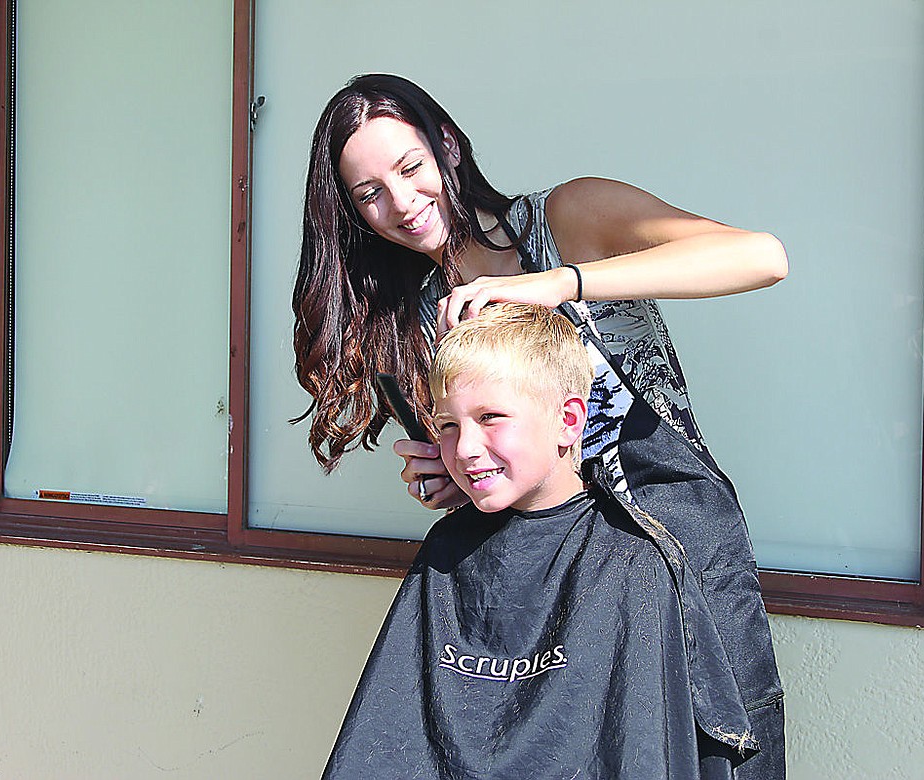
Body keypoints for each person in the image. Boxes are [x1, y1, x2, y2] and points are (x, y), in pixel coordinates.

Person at [294, 73, 786, 777]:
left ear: (449, 148)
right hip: (544, 596)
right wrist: (455, 471)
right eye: (369, 193)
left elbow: (762, 256)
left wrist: (561, 283)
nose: (401, 203)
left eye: (410, 168)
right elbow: (498, 470)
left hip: (674, 554)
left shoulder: (565, 221)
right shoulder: (409, 322)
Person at [324, 303, 762, 778]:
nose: (465, 447)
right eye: (448, 425)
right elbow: (392, 742)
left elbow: (638, 749)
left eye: (491, 417)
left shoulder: (629, 562)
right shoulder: (448, 549)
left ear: (569, 420)